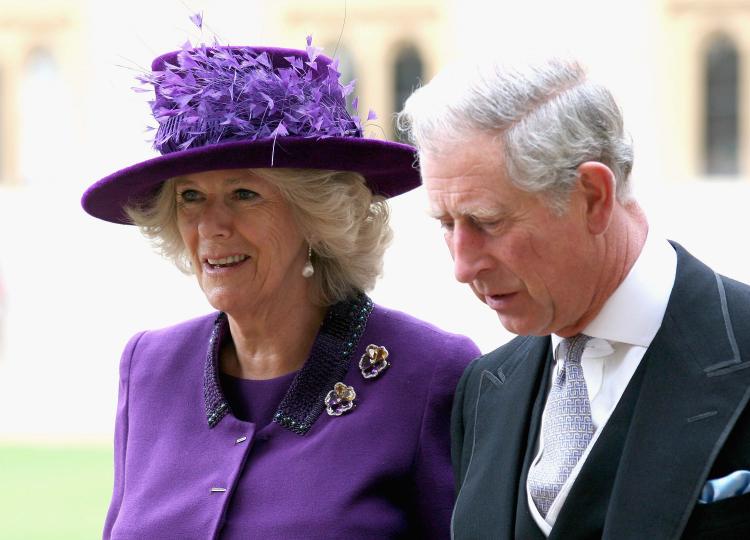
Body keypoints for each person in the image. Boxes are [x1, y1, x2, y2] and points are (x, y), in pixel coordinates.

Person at [82, 37, 480, 539]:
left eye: (244, 194)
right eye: (190, 197)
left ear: (316, 216)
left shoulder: (429, 372)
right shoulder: (149, 365)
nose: (211, 226)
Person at [399, 56, 750, 538]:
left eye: (488, 221)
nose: (462, 267)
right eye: (447, 224)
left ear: (592, 196)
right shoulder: (483, 389)